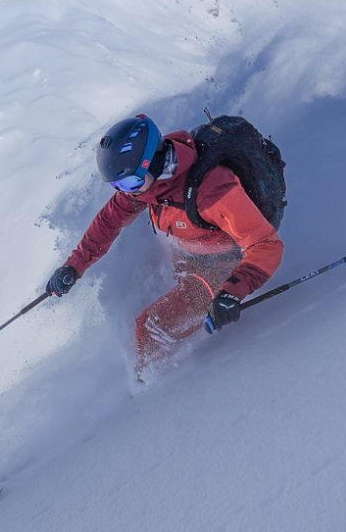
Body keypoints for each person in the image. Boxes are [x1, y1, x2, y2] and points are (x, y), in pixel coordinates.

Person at [46, 114, 284, 376]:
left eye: (128, 182)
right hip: (189, 252)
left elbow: (266, 245)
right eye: (117, 185)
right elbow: (108, 222)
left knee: (150, 327)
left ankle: (151, 392)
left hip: (223, 265)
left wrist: (232, 292)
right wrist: (74, 266)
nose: (126, 192)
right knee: (165, 295)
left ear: (152, 162)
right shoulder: (146, 185)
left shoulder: (213, 190)